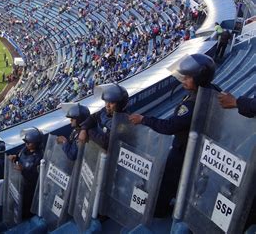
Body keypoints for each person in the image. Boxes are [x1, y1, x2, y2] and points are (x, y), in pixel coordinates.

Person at [128, 53, 220, 218]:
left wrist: (143, 119)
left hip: (183, 151)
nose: (183, 80)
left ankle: (160, 211)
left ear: (200, 78)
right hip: (199, 149)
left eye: (188, 77)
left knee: (167, 181)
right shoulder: (213, 91)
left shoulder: (192, 105)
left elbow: (170, 126)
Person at [79, 84, 129, 151]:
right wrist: (83, 129)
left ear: (120, 104)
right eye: (106, 101)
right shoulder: (104, 111)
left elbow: (106, 143)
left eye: (111, 103)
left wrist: (88, 131)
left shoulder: (123, 122)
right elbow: (93, 117)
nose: (107, 105)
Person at [8, 127, 43, 219]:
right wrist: (14, 156)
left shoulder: (39, 157)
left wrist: (23, 170)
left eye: (29, 142)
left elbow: (36, 177)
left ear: (36, 144)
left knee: (25, 209)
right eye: (26, 142)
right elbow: (19, 155)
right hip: (19, 184)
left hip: (29, 189)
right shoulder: (25, 149)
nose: (26, 144)